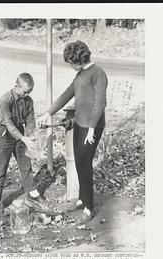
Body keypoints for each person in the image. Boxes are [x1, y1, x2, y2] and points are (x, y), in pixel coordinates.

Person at [40, 40, 108, 225]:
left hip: (92, 127)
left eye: (71, 62)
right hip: (79, 123)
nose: (71, 66)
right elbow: (66, 95)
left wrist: (92, 128)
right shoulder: (79, 75)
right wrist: (48, 113)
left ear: (80, 59)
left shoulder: (98, 73)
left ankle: (89, 207)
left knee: (85, 163)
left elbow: (100, 103)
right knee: (79, 162)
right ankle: (81, 198)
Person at [0, 73, 45, 209]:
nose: (27, 95)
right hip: (5, 134)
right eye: (25, 92)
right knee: (0, 169)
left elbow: (30, 121)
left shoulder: (29, 101)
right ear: (17, 86)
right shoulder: (5, 99)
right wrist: (24, 139)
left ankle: (32, 192)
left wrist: (31, 136)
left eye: (29, 92)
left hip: (21, 133)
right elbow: (8, 124)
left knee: (26, 165)